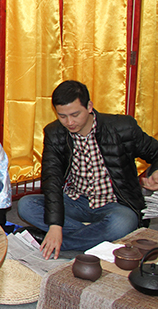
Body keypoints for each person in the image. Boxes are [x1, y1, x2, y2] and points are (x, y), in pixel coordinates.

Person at [18, 80, 158, 259]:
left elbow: (156, 152)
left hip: (114, 204)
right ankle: (95, 235)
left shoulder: (122, 127)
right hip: (76, 200)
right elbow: (52, 178)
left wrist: (156, 171)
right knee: (26, 205)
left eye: (75, 114)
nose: (69, 122)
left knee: (124, 222)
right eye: (62, 116)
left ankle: (61, 241)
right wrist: (55, 225)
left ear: (89, 107)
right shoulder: (55, 133)